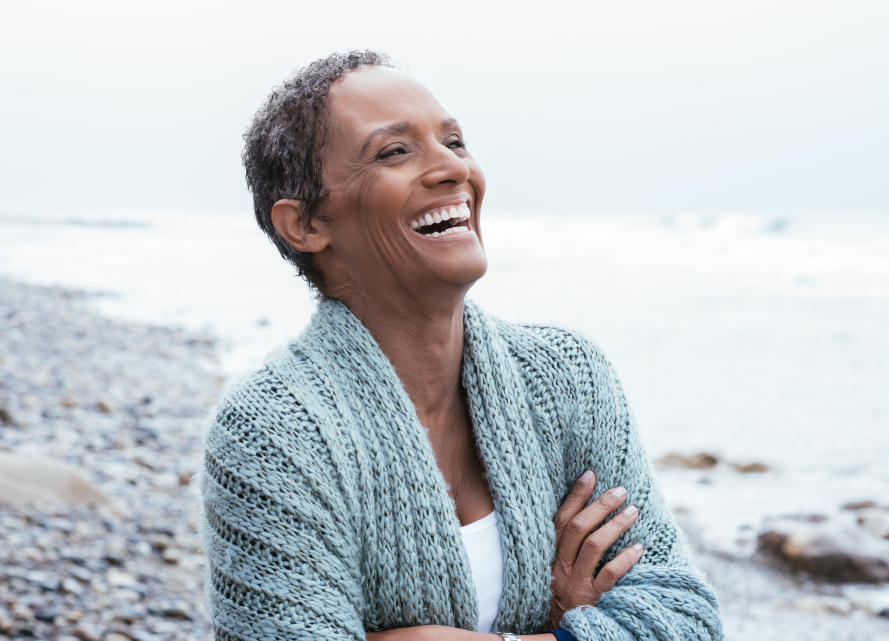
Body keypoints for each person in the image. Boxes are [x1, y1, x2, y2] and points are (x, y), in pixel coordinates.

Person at [201, 50, 723, 641]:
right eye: (395, 151)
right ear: (307, 224)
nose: (453, 169)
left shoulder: (566, 377)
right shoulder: (272, 432)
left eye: (454, 142)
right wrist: (571, 625)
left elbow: (687, 619)